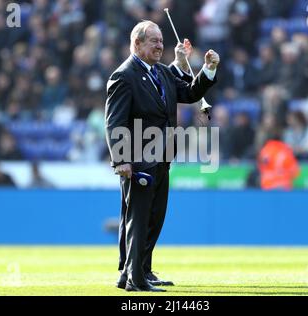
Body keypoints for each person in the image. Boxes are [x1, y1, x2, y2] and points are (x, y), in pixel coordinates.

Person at [105, 21, 219, 292]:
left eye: (161, 41)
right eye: (154, 41)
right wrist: (121, 159)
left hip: (162, 157)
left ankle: (139, 271)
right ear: (137, 44)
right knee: (138, 217)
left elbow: (190, 92)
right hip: (138, 159)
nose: (160, 45)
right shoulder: (124, 76)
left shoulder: (160, 73)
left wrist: (209, 69)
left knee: (154, 217)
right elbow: (114, 122)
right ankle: (135, 278)